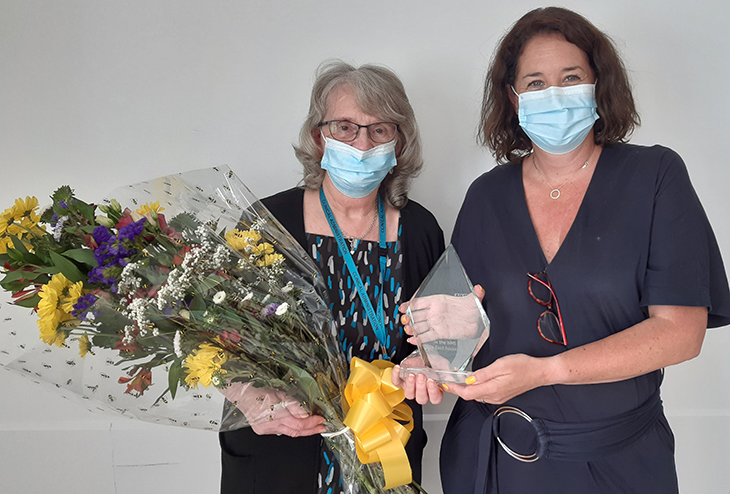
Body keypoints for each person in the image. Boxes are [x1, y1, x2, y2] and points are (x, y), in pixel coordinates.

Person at [393, 7, 730, 494]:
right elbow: (456, 331)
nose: (553, 94)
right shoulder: (486, 196)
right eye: (535, 83)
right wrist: (428, 359)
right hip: (491, 463)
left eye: (570, 78)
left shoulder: (655, 177)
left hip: (616, 464)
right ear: (513, 98)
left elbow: (682, 333)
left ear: (598, 85)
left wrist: (547, 372)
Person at [219, 60, 445, 494]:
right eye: (344, 126)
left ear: (399, 141)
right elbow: (217, 338)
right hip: (283, 447)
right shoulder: (269, 223)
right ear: (318, 137)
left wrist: (429, 362)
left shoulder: (419, 230)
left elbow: (439, 341)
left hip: (383, 449)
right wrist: (249, 397)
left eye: (380, 129)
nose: (362, 143)